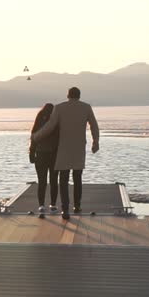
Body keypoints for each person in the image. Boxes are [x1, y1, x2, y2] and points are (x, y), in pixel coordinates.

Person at [31, 86, 99, 219]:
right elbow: (94, 126)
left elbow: (50, 126)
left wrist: (36, 136)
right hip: (79, 148)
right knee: (78, 177)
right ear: (79, 96)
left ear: (68, 95)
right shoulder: (86, 107)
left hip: (63, 148)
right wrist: (95, 142)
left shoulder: (59, 107)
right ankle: (77, 205)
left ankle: (65, 209)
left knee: (63, 179)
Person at [28, 103, 59, 212]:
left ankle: (41, 205)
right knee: (54, 180)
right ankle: (53, 204)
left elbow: (33, 136)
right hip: (54, 155)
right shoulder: (56, 121)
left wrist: (31, 153)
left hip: (40, 154)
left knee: (42, 181)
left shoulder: (40, 117)